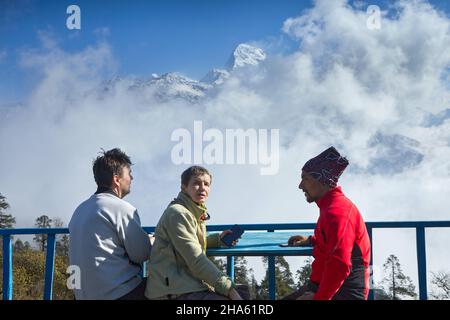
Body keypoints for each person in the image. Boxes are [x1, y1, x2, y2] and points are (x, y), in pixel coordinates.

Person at [284, 146, 371, 300]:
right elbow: (335, 243)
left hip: (346, 292)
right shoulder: (329, 206)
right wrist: (311, 240)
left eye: (305, 179)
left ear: (321, 181)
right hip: (325, 285)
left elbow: (340, 265)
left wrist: (318, 298)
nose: (300, 185)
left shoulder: (338, 212)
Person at [145, 166, 245, 300]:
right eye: (196, 183)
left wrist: (217, 240)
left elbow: (188, 243)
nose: (202, 188)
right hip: (172, 291)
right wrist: (229, 289)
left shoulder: (193, 212)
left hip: (185, 285)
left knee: (244, 291)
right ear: (184, 187)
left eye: (206, 184)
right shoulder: (178, 213)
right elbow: (196, 259)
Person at [69, 148, 153, 300]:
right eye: (129, 173)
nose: (132, 178)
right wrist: (151, 240)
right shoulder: (121, 208)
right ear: (116, 179)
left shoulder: (79, 210)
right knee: (168, 287)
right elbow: (141, 254)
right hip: (119, 294)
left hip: (82, 295)